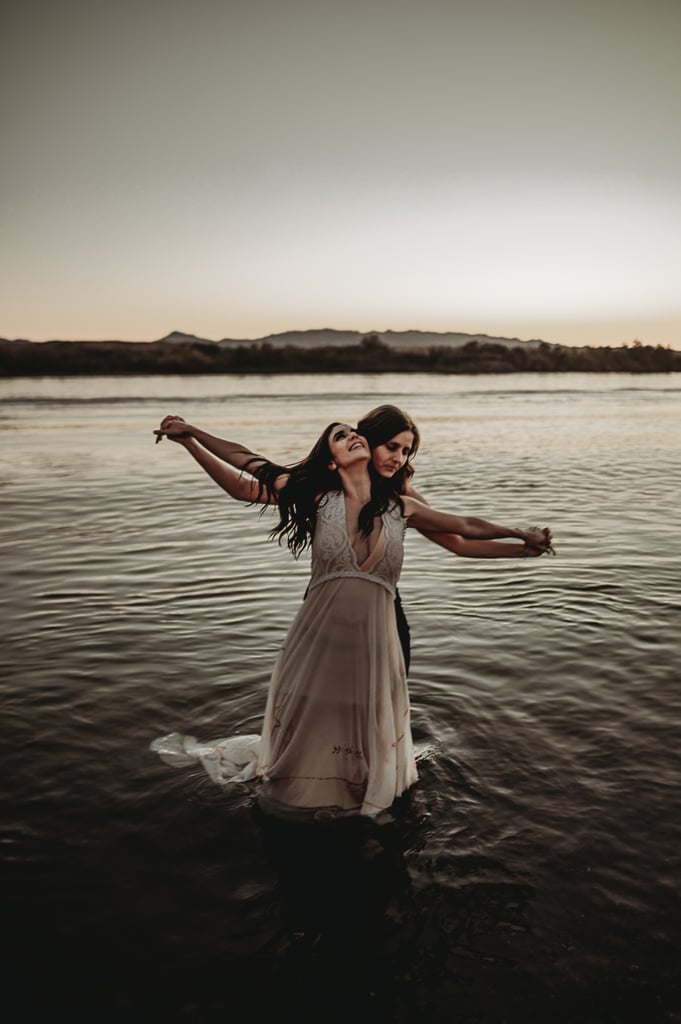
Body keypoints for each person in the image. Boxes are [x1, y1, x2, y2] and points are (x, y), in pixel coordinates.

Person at [152, 414, 553, 821]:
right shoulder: (315, 495)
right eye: (391, 446)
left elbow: (463, 532)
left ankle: (364, 789)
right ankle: (312, 786)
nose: (397, 457)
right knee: (315, 712)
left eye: (406, 450)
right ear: (349, 451)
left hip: (382, 626)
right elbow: (247, 469)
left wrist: (522, 541)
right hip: (321, 626)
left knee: (370, 716)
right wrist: (191, 436)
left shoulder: (403, 506)